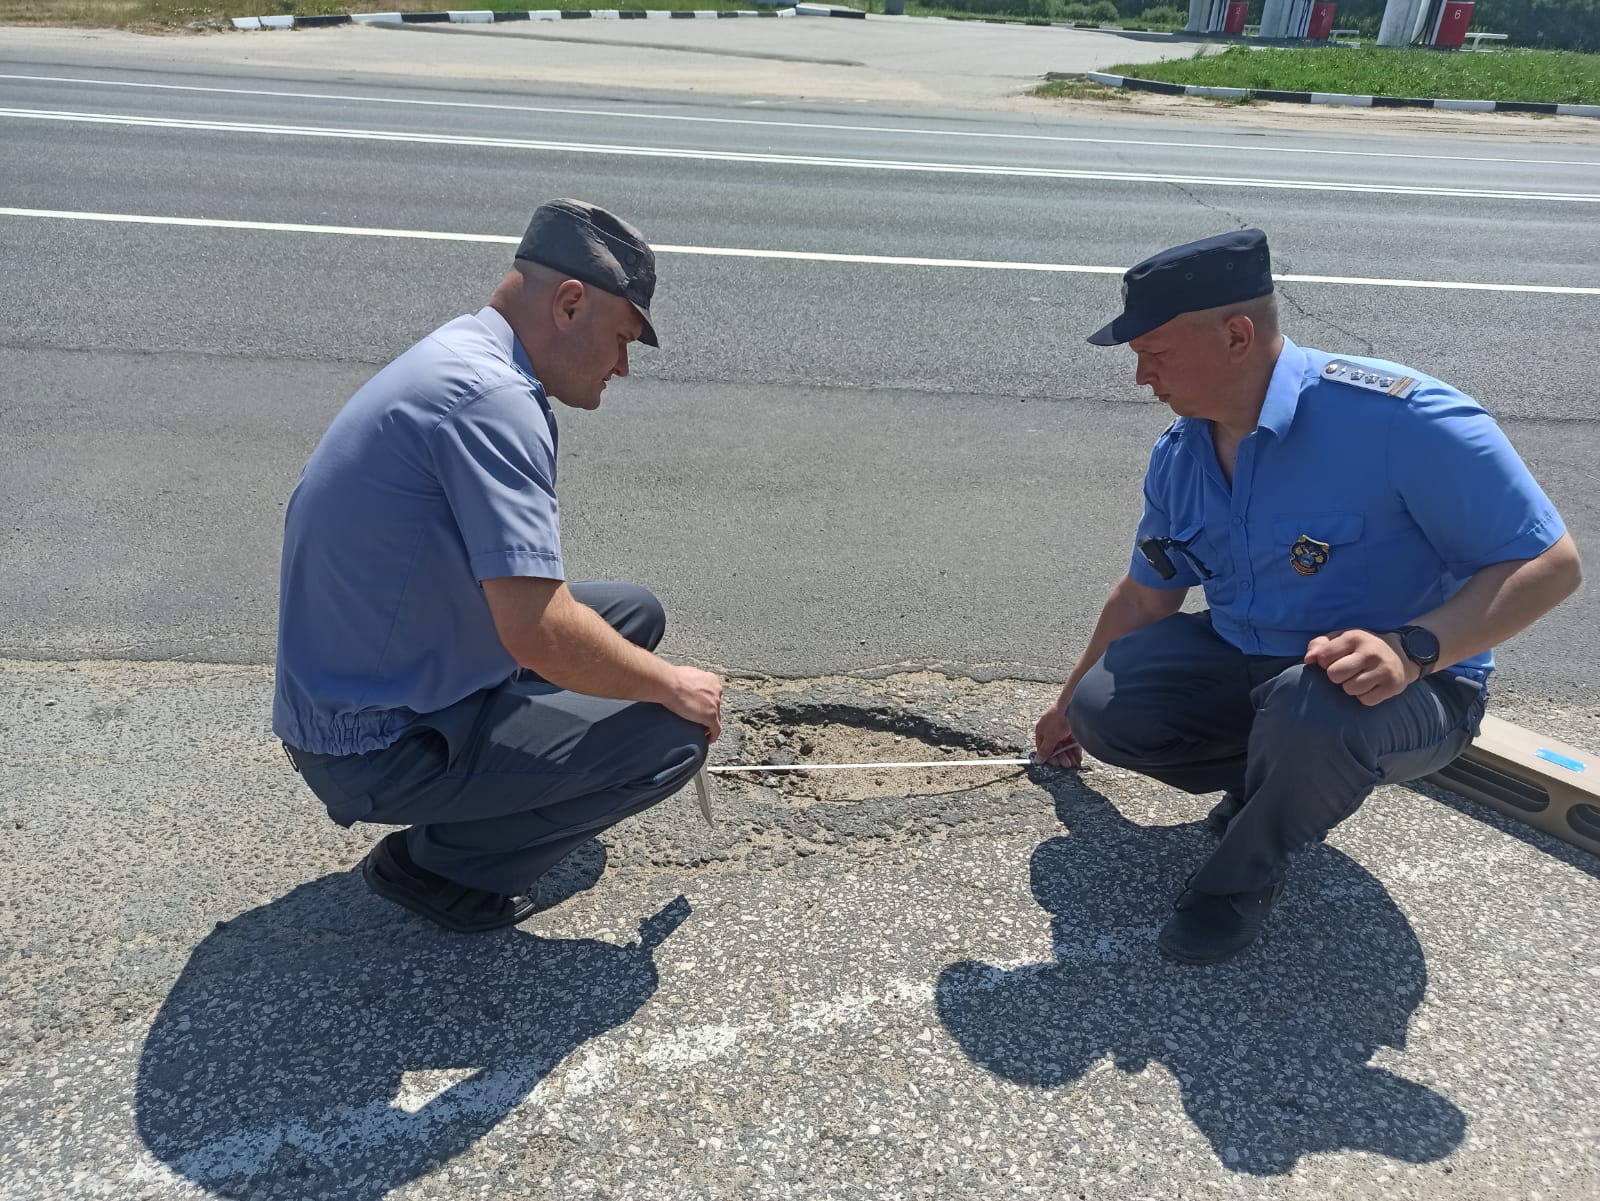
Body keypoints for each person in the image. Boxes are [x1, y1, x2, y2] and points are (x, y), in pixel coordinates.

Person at [1034, 228, 1581, 966]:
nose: (1141, 377)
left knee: (1312, 705)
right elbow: (1143, 596)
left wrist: (1414, 647)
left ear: (1236, 335)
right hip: (1255, 664)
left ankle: (1241, 877)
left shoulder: (1401, 419)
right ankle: (1279, 791)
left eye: (1154, 353)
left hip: (1413, 689)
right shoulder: (1183, 452)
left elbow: (1550, 562)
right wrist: (1065, 707)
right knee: (1112, 706)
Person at [274, 199, 722, 934]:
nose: (623, 366)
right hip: (370, 739)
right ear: (570, 302)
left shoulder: (466, 352)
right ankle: (442, 868)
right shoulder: (493, 401)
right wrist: (675, 688)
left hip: (356, 683)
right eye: (621, 338)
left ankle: (498, 774)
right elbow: (538, 633)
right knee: (669, 739)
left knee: (633, 614)